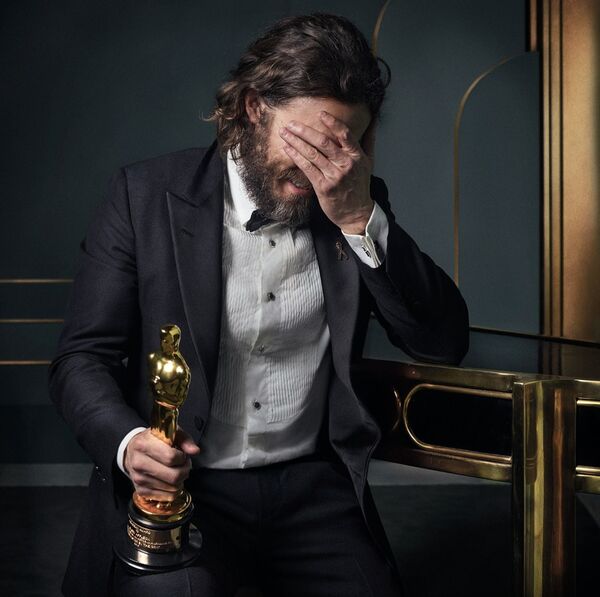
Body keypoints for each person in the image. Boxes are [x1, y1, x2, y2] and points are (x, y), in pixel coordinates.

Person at [49, 13, 469, 597]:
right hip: (187, 489)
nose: (319, 166)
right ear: (253, 108)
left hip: (315, 491)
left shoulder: (354, 199)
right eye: (305, 141)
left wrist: (358, 218)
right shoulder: (143, 195)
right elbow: (82, 358)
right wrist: (128, 445)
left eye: (341, 145)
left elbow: (441, 342)